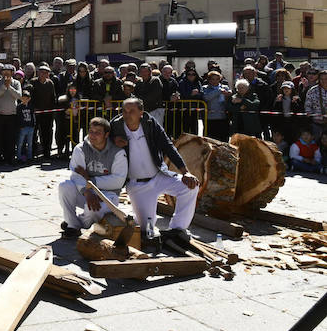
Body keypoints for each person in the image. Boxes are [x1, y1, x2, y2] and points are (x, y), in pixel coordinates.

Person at [110, 98, 199, 241]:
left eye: (131, 111)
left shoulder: (150, 123)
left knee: (190, 187)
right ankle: (147, 228)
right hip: (137, 185)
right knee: (148, 231)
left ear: (141, 112)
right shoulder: (115, 126)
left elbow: (168, 146)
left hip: (159, 176)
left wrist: (185, 172)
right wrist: (113, 142)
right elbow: (99, 144)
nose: (127, 115)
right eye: (124, 111)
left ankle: (178, 229)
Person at [58, 117, 128, 237]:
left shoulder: (118, 153)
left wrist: (90, 181)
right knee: (65, 186)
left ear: (106, 135)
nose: (93, 135)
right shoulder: (80, 149)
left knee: (93, 210)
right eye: (91, 131)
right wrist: (87, 191)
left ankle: (77, 222)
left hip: (109, 195)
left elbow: (118, 181)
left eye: (98, 133)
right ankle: (72, 227)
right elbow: (76, 175)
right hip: (86, 191)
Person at [0, 65, 21, 164]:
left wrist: (9, 87)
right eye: (4, 72)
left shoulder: (16, 83)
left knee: (10, 138)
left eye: (8, 72)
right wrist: (4, 86)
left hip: (11, 114)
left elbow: (19, 96)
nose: (6, 74)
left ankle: (10, 157)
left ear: (12, 73)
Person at [30, 65, 56, 158]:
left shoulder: (50, 83)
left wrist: (52, 109)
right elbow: (30, 97)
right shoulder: (33, 82)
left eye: (45, 72)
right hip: (36, 112)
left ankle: (46, 152)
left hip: (47, 112)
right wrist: (33, 108)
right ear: (38, 73)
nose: (43, 74)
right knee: (34, 133)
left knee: (47, 133)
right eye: (41, 72)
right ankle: (32, 152)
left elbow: (53, 97)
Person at [202, 71, 231, 141]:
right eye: (213, 79)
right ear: (209, 80)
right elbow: (206, 97)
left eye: (217, 79)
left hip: (223, 117)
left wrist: (229, 94)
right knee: (211, 139)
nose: (215, 81)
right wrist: (218, 91)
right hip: (210, 118)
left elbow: (229, 99)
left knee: (223, 139)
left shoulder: (225, 87)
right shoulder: (205, 88)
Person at [304, 70, 327, 139]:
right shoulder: (312, 90)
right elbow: (308, 106)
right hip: (317, 124)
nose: (324, 81)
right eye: (322, 79)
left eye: (326, 79)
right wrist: (310, 115)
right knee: (317, 143)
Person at [15, 91, 36, 163]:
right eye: (23, 98)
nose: (24, 100)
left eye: (26, 98)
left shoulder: (31, 106)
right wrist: (20, 126)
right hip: (23, 127)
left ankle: (29, 157)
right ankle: (19, 157)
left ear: (29, 99)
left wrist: (33, 124)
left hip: (30, 127)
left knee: (30, 143)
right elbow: (18, 117)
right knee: (20, 143)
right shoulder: (19, 107)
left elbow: (33, 116)